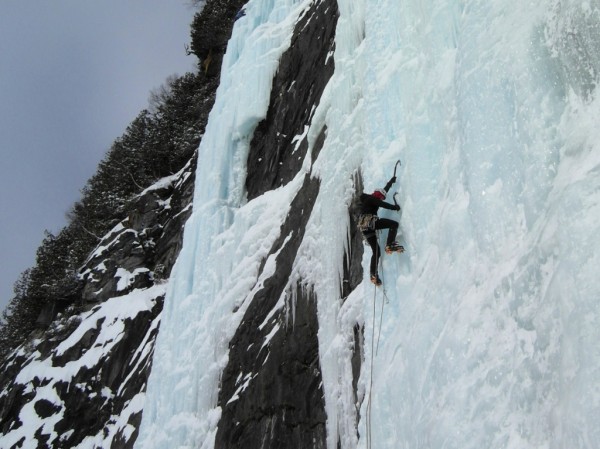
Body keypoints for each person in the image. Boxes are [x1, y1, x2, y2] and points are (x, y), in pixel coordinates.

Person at [358, 176, 404, 286]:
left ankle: (373, 274)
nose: (382, 198)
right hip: (370, 223)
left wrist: (390, 183)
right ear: (378, 195)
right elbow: (382, 203)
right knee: (394, 224)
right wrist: (395, 207)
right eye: (381, 197)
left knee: (376, 251)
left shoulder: (371, 198)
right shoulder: (372, 199)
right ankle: (390, 244)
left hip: (365, 228)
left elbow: (383, 192)